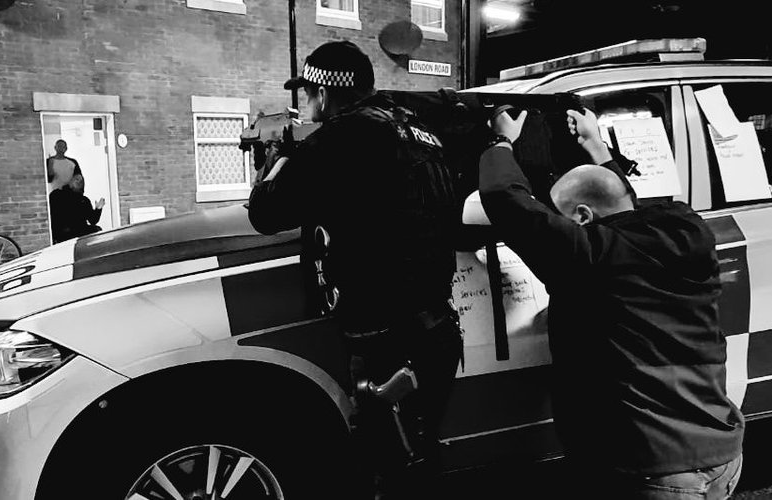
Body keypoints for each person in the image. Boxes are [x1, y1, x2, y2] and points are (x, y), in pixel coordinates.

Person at [478, 107, 745, 499]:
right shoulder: (690, 232)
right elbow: (622, 201)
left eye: (562, 218)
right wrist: (597, 146)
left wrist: (501, 141)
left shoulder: (589, 256)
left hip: (656, 469)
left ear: (582, 216)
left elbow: (505, 199)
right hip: (723, 453)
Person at [247, 40, 462, 499]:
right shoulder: (416, 129)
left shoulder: (340, 138)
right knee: (420, 453)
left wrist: (278, 157)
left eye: (308, 95)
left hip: (384, 338)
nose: (308, 106)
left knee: (388, 463)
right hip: (438, 326)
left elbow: (265, 214)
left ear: (324, 94)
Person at [49, 172, 104, 243]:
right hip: (65, 235)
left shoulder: (84, 200)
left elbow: (93, 220)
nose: (79, 182)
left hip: (77, 234)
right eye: (77, 179)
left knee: (97, 230)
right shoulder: (57, 195)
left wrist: (98, 208)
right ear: (70, 180)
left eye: (81, 180)